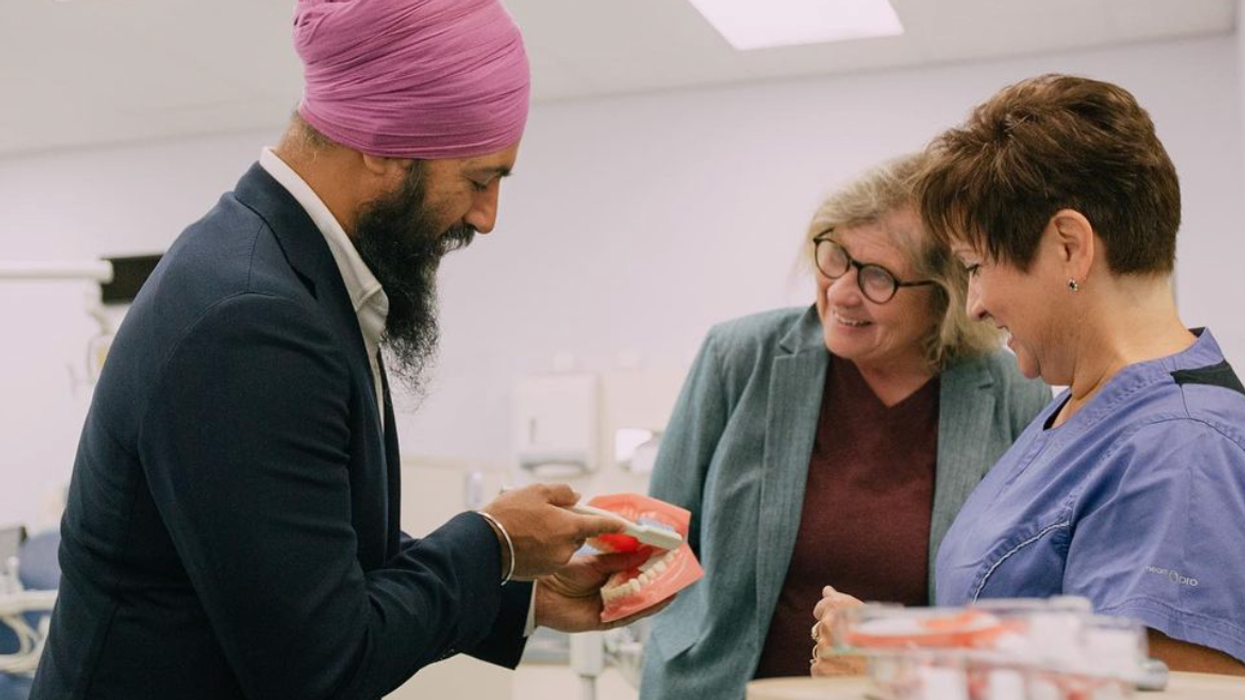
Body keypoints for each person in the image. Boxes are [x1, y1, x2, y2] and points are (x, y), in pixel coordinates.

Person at [30, 1, 659, 698]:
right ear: (385, 144)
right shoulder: (251, 320)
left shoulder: (288, 275)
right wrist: (492, 543)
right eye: (479, 180)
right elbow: (320, 665)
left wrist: (523, 590)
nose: (486, 217)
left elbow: (318, 558)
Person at [640, 153, 1051, 699]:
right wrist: (676, 634)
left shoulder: (1010, 393)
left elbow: (1024, 585)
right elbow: (660, 532)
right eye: (834, 256)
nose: (840, 291)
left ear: (944, 297)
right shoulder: (738, 358)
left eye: (877, 276)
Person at [915, 74, 1245, 674]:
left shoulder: (1182, 449)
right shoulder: (1077, 408)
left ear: (1069, 246)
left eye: (976, 266)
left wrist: (907, 673)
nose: (974, 306)